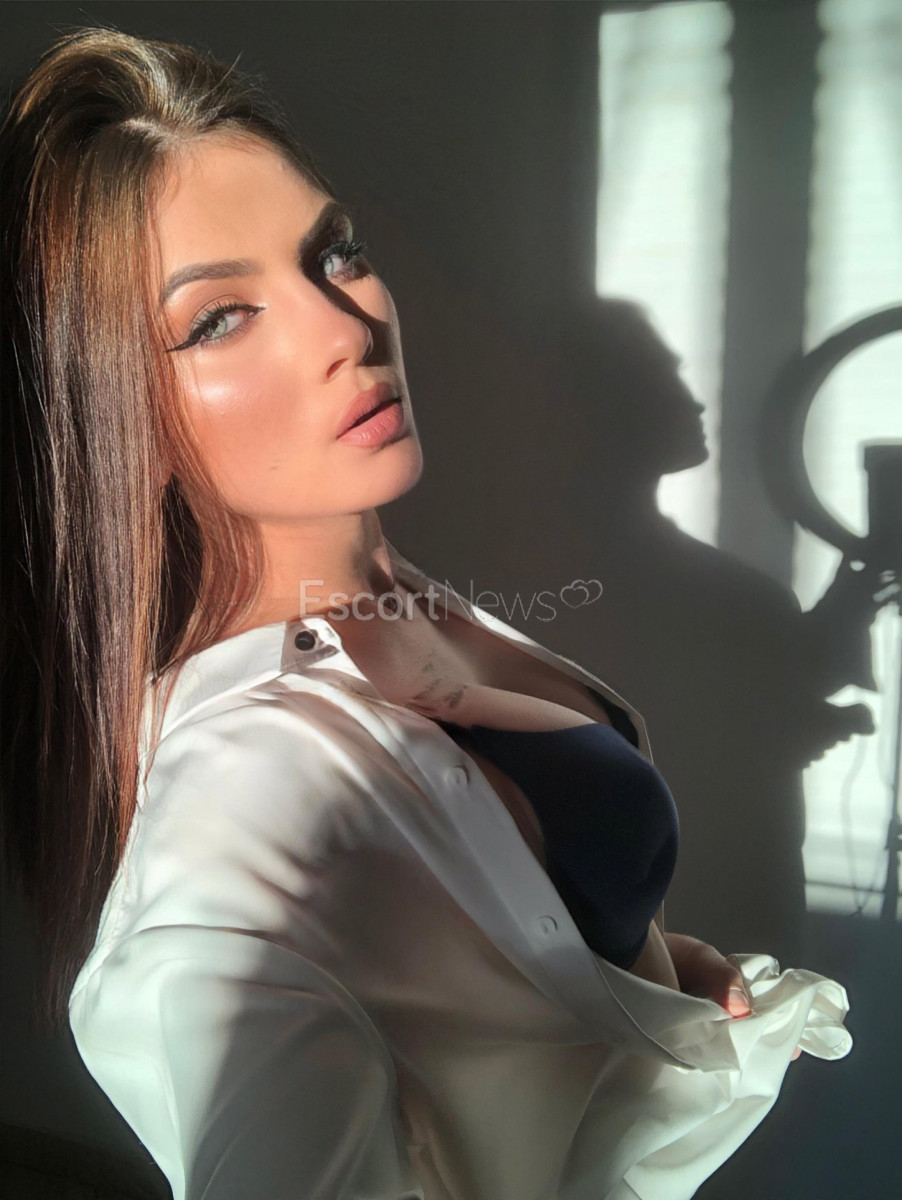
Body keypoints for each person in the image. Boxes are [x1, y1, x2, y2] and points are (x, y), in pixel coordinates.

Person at [1, 27, 850, 1200]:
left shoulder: (401, 605)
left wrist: (636, 971)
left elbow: (504, 916)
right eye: (218, 318)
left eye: (333, 254)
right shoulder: (242, 809)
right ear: (119, 416)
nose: (345, 328)